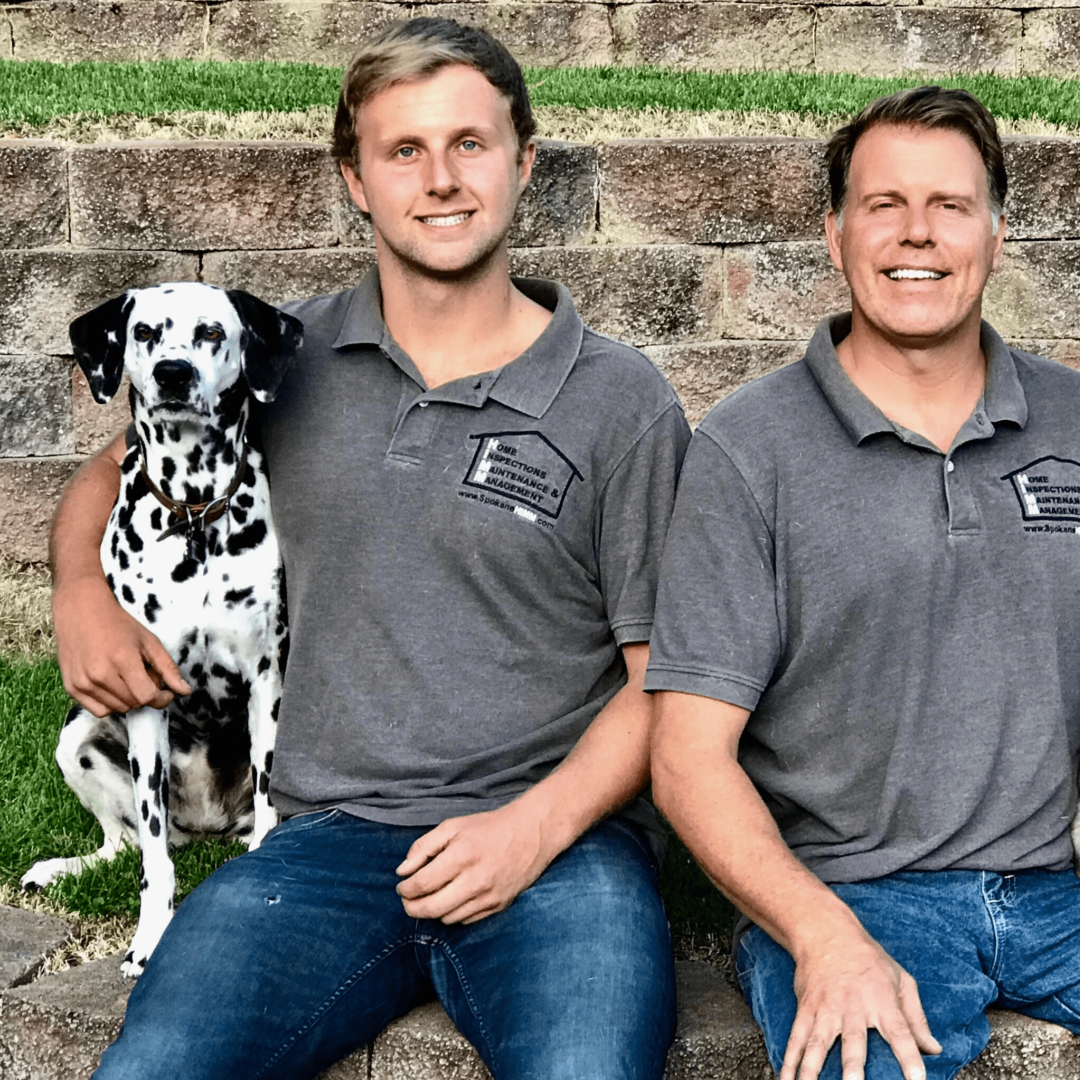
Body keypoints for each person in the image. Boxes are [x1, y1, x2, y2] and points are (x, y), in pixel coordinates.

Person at [645, 86, 1080, 1080]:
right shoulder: (745, 451)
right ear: (834, 232)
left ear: (995, 231)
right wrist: (817, 934)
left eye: (949, 206)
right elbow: (687, 759)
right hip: (861, 897)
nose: (917, 235)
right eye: (882, 204)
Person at [49, 19, 687, 1079]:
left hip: (561, 849)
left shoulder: (619, 402)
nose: (440, 180)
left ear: (524, 161)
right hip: (323, 840)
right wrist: (80, 589)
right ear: (355, 177)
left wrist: (528, 834)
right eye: (403, 151)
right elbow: (115, 473)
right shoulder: (272, 367)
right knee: (154, 1068)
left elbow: (667, 677)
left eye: (469, 145)